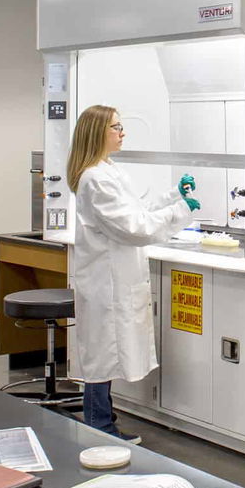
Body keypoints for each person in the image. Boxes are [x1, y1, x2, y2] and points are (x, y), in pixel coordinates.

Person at [67, 104, 199, 442]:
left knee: (104, 354)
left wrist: (174, 197)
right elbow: (133, 227)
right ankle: (100, 427)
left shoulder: (107, 170)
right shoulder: (95, 178)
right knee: (101, 356)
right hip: (106, 284)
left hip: (113, 278)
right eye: (116, 127)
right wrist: (180, 212)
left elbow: (136, 207)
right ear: (98, 133)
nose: (122, 132)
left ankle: (102, 421)